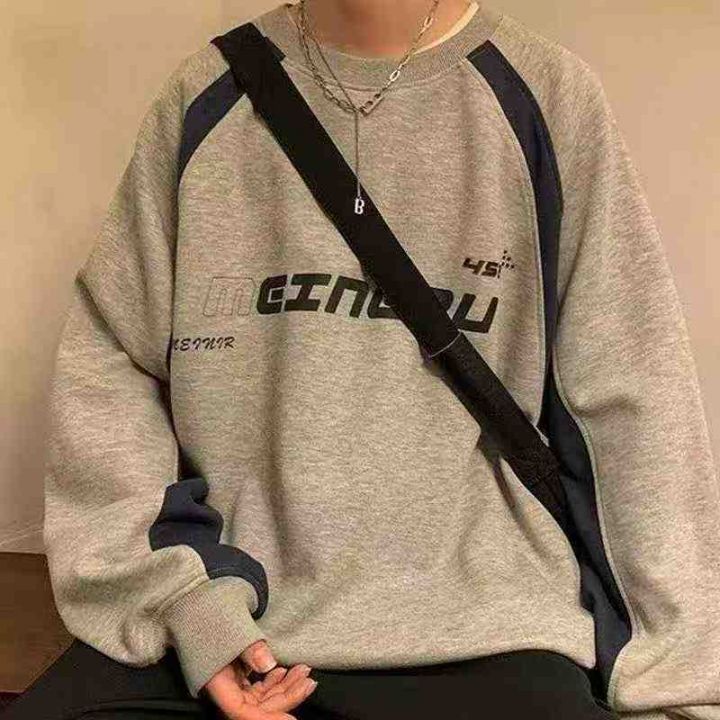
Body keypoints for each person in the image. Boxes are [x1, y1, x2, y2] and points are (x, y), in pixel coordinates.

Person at [3, 1, 719, 719]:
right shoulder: (206, 94)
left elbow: (633, 404)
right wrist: (188, 608)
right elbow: (112, 369)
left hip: (488, 637)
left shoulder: (547, 98)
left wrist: (679, 688)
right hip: (224, 626)